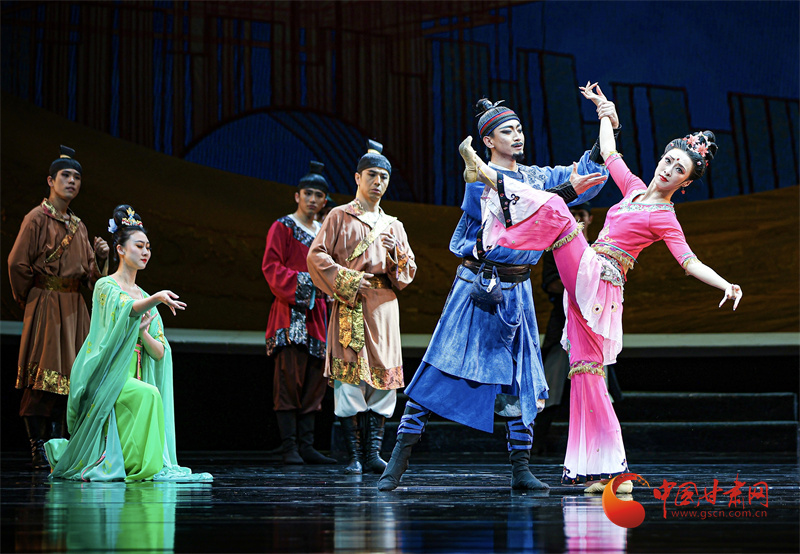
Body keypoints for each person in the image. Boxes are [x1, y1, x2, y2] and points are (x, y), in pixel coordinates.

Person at [457, 82, 742, 493]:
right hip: (587, 286)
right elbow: (609, 153)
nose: (668, 169)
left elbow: (688, 261)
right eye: (668, 160)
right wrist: (605, 111)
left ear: (685, 183)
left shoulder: (665, 216)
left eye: (679, 170)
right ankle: (604, 471)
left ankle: (490, 194)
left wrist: (725, 283)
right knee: (586, 378)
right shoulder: (634, 189)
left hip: (599, 279)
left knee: (558, 210)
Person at [378, 97, 619, 492]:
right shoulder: (479, 177)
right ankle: (398, 460)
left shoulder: (535, 176)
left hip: (516, 289)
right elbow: (511, 212)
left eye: (519, 129)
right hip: (476, 286)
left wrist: (607, 129)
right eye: (507, 131)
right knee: (441, 365)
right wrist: (563, 191)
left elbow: (583, 177)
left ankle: (521, 468)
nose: (517, 135)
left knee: (520, 377)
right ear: (488, 140)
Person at [45, 205, 212, 482]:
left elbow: (160, 352)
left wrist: (144, 334)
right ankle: (143, 467)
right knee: (149, 394)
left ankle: (142, 464)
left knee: (148, 392)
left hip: (136, 376)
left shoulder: (146, 297)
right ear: (120, 249)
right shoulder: (106, 287)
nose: (145, 252)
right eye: (139, 246)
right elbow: (127, 308)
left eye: (148, 247)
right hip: (108, 377)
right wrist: (156, 298)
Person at [307, 140, 417, 475]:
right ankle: (353, 455)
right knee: (350, 379)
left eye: (384, 177)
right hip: (351, 303)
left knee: (383, 379)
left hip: (383, 307)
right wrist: (349, 279)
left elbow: (408, 272)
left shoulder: (394, 225)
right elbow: (316, 256)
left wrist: (395, 252)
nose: (378, 182)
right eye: (372, 175)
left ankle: (373, 454)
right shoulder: (339, 216)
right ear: (358, 177)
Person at [7, 145, 109, 469]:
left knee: (73, 381)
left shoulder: (79, 226)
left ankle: (60, 446)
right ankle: (38, 447)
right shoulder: (36, 219)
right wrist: (32, 299)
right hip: (48, 306)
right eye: (65, 175)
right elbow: (16, 264)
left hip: (75, 310)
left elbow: (92, 277)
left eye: (77, 177)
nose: (72, 181)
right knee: (43, 380)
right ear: (51, 180)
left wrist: (102, 257)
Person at [534, 202, 623, 454]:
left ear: (591, 218)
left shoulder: (600, 249)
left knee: (601, 388)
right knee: (550, 387)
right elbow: (551, 284)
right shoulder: (556, 248)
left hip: (595, 328)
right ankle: (535, 444)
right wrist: (584, 286)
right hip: (563, 326)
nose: (576, 218)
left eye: (581, 214)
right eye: (572, 214)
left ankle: (605, 450)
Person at [262, 161, 336, 465]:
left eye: (318, 195)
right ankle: (289, 446)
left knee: (315, 380)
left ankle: (307, 445)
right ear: (297, 196)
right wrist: (309, 283)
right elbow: (271, 268)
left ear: (324, 200)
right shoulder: (282, 227)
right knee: (288, 379)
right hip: (290, 311)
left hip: (319, 314)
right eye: (308, 193)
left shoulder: (324, 232)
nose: (313, 199)